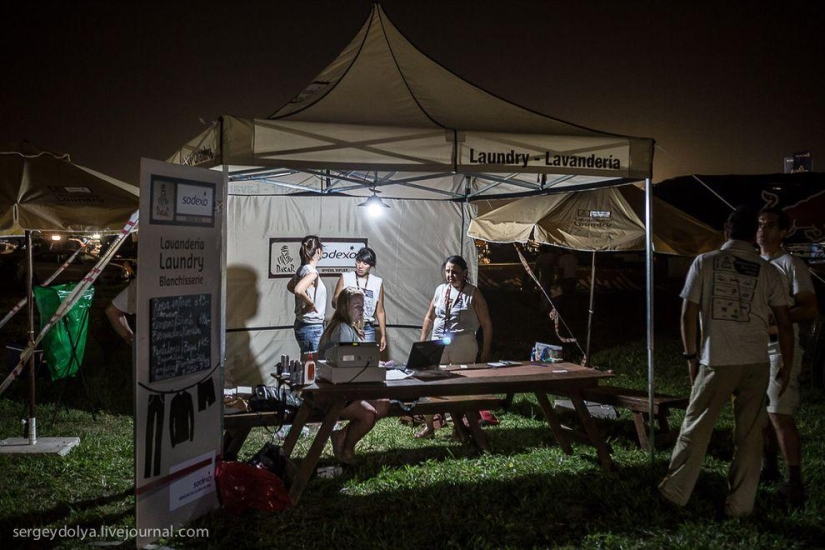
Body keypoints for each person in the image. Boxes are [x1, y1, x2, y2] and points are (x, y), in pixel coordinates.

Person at [659, 207, 794, 518]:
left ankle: (675, 493)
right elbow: (785, 323)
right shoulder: (768, 270)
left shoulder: (705, 262)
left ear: (725, 231)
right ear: (753, 236)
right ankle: (741, 506)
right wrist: (785, 362)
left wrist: (691, 356)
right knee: (750, 438)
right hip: (757, 362)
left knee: (696, 427)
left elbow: (688, 314)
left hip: (716, 359)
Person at [757, 206, 818, 508]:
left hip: (780, 348)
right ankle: (769, 468)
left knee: (779, 413)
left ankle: (795, 483)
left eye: (769, 225)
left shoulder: (791, 264)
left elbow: (808, 307)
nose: (762, 230)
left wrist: (777, 321)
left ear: (782, 232)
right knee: (760, 414)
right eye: (759, 224)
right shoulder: (751, 262)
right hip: (751, 349)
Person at [416, 255, 493, 438]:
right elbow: (429, 316)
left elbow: (486, 324)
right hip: (438, 341)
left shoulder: (473, 293)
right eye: (448, 271)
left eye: (455, 272)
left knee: (461, 386)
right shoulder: (440, 290)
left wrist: (486, 350)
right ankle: (429, 426)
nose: (450, 275)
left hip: (463, 342)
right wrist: (423, 341)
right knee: (430, 382)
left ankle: (460, 428)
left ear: (465, 273)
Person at [318, 286, 390, 465]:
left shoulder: (348, 328)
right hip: (335, 392)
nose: (362, 310)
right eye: (357, 306)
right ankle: (347, 449)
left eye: (363, 306)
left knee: (383, 404)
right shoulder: (342, 328)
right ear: (344, 307)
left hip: (347, 387)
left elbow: (354, 360)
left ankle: (342, 435)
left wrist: (376, 364)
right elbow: (348, 363)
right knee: (369, 415)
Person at [331, 247, 387, 351]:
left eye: (365, 263)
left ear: (371, 265)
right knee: (346, 357)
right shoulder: (346, 277)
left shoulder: (377, 282)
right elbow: (334, 303)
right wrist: (345, 300)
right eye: (358, 261)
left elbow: (380, 311)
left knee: (366, 360)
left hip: (367, 328)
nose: (360, 266)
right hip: (348, 326)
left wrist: (383, 335)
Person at [287, 235, 326, 354]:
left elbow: (290, 286)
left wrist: (304, 301)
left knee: (307, 362)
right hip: (311, 325)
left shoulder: (302, 269)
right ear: (319, 251)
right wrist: (311, 303)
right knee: (311, 364)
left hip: (304, 323)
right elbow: (298, 290)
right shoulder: (312, 272)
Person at [106, 278, 137, 345]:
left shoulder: (142, 282)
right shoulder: (141, 283)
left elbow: (112, 311)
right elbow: (112, 312)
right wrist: (132, 341)